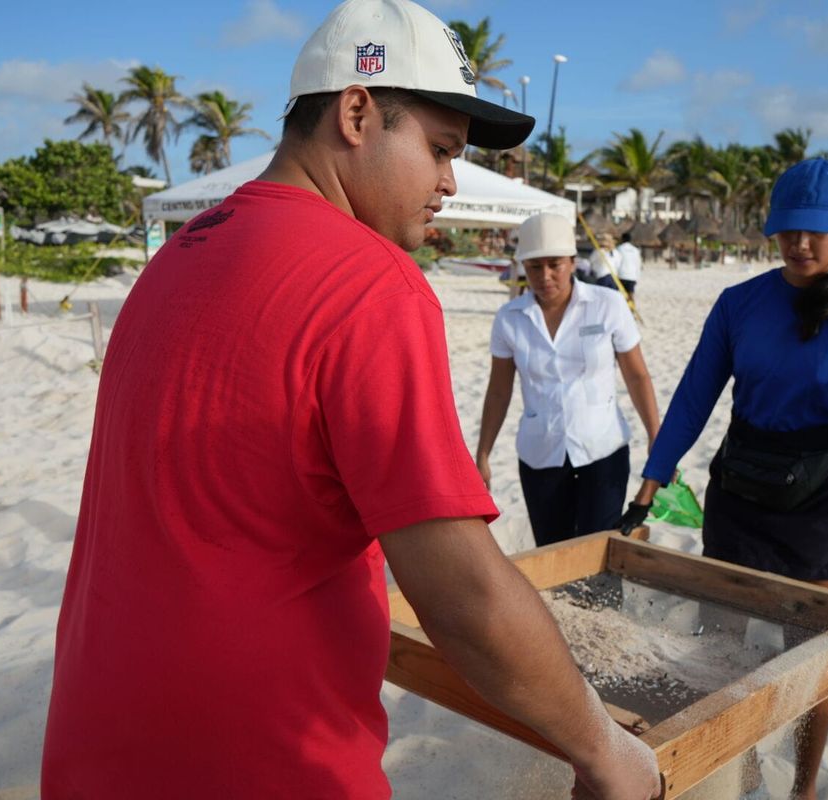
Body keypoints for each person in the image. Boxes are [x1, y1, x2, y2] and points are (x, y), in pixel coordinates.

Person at [39, 2, 662, 799]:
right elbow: (458, 588)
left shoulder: (175, 262)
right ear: (358, 110)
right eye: (439, 149)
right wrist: (604, 749)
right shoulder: (369, 282)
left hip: (99, 743)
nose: (447, 182)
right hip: (264, 759)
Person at [616, 158, 828, 798]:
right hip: (740, 485)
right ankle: (729, 763)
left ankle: (805, 787)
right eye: (786, 229)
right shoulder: (740, 304)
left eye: (814, 230)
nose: (798, 243)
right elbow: (692, 401)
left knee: (811, 652)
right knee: (719, 641)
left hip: (823, 498)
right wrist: (648, 489)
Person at [476, 212, 661, 547]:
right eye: (534, 267)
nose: (545, 276)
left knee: (599, 550)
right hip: (539, 454)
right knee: (551, 552)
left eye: (554, 265)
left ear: (573, 262)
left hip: (603, 450)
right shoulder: (509, 319)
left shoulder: (607, 304)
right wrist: (484, 454)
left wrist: (655, 435)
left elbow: (636, 375)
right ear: (522, 268)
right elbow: (499, 391)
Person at [615, 230, 643, 301]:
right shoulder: (635, 250)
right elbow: (638, 264)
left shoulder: (619, 249)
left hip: (621, 275)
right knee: (631, 296)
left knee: (620, 296)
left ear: (622, 239)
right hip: (632, 276)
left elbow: (616, 263)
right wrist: (637, 277)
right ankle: (631, 310)